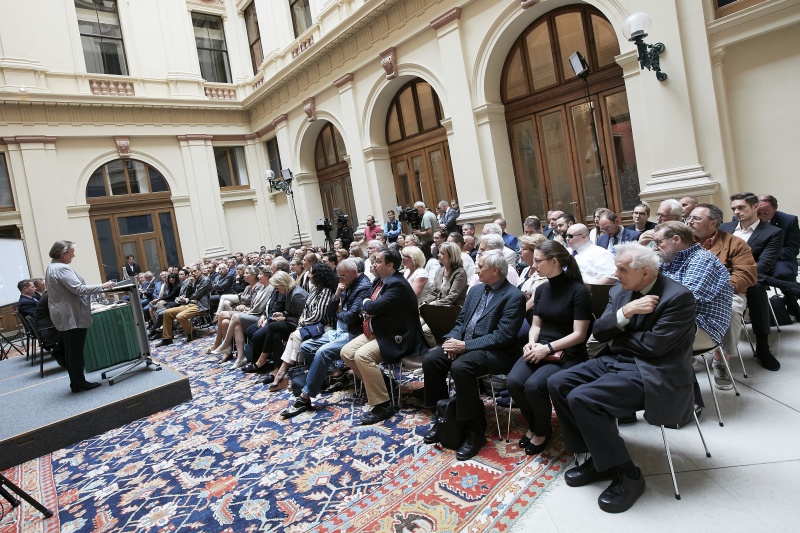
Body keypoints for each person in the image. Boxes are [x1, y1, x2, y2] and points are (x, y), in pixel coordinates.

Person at [547, 243, 696, 513]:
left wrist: (619, 335)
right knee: (558, 382)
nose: (616, 274)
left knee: (584, 398)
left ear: (646, 273)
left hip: (653, 370)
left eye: (622, 269)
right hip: (616, 360)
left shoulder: (678, 298)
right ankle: (598, 457)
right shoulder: (620, 291)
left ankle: (628, 475)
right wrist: (626, 313)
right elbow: (601, 331)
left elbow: (655, 348)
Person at [422, 250, 526, 460]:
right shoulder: (476, 290)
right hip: (465, 344)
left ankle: (474, 431)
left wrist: (464, 346)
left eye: (480, 266)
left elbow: (502, 336)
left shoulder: (513, 296)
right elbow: (460, 322)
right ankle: (442, 416)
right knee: (432, 359)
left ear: (495, 270)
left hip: (496, 352)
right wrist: (451, 341)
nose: (476, 269)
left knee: (462, 367)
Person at [507, 241, 592, 455]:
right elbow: (536, 324)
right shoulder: (542, 289)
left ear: (554, 261)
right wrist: (531, 342)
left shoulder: (579, 290)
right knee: (514, 382)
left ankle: (542, 431)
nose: (533, 266)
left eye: (537, 261)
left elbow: (579, 335)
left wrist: (547, 348)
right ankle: (536, 424)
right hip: (542, 347)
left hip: (568, 351)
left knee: (535, 386)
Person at [340, 248, 428, 425]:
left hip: (398, 336)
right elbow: (365, 302)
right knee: (346, 352)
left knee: (362, 356)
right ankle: (386, 385)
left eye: (378, 261)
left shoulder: (397, 284)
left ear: (390, 265)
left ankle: (383, 405)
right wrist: (369, 305)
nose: (373, 264)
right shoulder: (380, 281)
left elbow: (370, 307)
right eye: (374, 260)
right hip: (380, 331)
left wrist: (369, 306)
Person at [280, 259, 372, 418]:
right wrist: (337, 294)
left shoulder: (363, 286)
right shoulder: (345, 284)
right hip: (340, 329)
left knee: (322, 352)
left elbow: (350, 317)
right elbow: (330, 311)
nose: (340, 280)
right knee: (307, 346)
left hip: (353, 333)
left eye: (342, 276)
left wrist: (338, 312)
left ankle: (305, 397)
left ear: (353, 272)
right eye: (338, 277)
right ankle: (337, 374)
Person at [688, 204, 756, 389]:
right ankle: (686, 354)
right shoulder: (684, 243)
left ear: (713, 222)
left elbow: (745, 274)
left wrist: (717, 290)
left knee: (732, 310)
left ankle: (720, 360)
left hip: (727, 292)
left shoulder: (735, 243)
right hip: (690, 291)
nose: (690, 221)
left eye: (696, 218)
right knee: (673, 308)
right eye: (690, 218)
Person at [720, 192, 783, 370]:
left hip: (752, 276)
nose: (737, 211)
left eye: (741, 207)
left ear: (755, 207)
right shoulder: (725, 228)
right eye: (734, 208)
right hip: (724, 275)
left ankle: (763, 346)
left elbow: (764, 263)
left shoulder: (773, 232)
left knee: (757, 289)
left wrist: (738, 277)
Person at [45, 240, 116, 392]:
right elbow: (79, 289)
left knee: (71, 349)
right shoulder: (62, 269)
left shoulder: (52, 267)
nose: (74, 255)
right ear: (64, 254)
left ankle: (76, 381)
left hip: (64, 313)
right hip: (71, 315)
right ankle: (78, 382)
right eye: (72, 252)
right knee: (75, 350)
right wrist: (103, 286)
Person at [266, 264, 338, 391]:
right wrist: (301, 324)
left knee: (296, 336)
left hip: (325, 326)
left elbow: (318, 315)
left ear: (319, 276)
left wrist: (302, 324)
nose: (309, 275)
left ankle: (285, 374)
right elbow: (305, 311)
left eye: (311, 273)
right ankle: (288, 373)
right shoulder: (315, 289)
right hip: (312, 325)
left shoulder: (326, 290)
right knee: (293, 335)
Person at [243, 271, 308, 374]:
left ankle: (261, 360)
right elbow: (291, 311)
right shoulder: (289, 292)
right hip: (293, 322)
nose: (277, 290)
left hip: (302, 326)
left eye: (277, 287)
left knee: (272, 327)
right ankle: (277, 368)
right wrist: (283, 314)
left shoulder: (297, 295)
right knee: (276, 335)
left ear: (283, 284)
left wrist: (285, 318)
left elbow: (303, 317)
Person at [757, 194, 800, 319]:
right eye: (758, 212)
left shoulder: (789, 220)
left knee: (784, 273)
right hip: (755, 259)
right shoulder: (744, 219)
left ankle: (792, 302)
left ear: (775, 208)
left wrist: (769, 256)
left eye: (765, 212)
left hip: (779, 259)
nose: (761, 216)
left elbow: (792, 247)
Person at [158, 265, 211, 346]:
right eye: (192, 272)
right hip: (190, 304)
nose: (193, 273)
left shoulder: (206, 280)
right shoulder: (193, 280)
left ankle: (191, 333)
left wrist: (187, 299)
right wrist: (189, 284)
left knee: (180, 316)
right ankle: (167, 338)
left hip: (200, 306)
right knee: (167, 312)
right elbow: (188, 294)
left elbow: (198, 294)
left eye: (195, 271)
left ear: (200, 271)